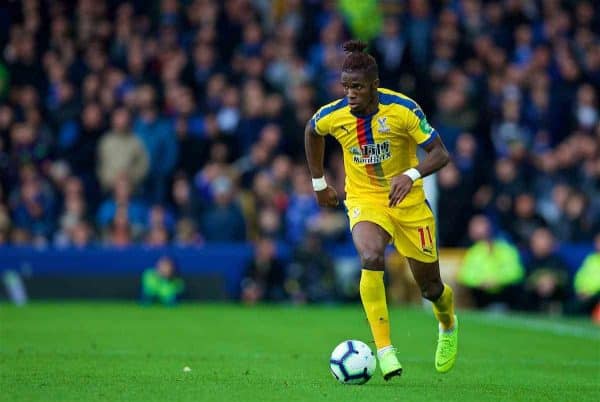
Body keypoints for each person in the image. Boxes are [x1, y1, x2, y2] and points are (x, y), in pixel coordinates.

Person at [304, 40, 456, 380]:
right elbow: (312, 131)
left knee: (430, 288)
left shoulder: (402, 109)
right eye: (345, 86)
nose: (350, 94)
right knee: (371, 256)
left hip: (408, 202)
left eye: (357, 87)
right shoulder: (334, 114)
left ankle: (447, 322)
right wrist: (319, 184)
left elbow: (440, 153)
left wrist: (411, 173)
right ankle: (385, 350)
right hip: (364, 200)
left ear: (374, 84)